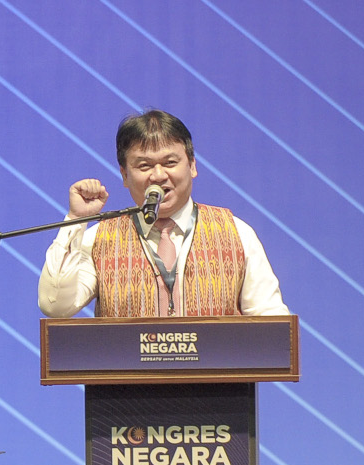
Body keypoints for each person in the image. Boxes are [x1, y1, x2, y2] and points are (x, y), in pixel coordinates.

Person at [38, 109, 288, 318]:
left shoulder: (236, 232)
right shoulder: (100, 238)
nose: (158, 175)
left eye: (170, 163)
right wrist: (75, 221)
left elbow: (270, 323)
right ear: (125, 175)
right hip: (126, 378)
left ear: (192, 166)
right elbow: (55, 305)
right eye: (144, 165)